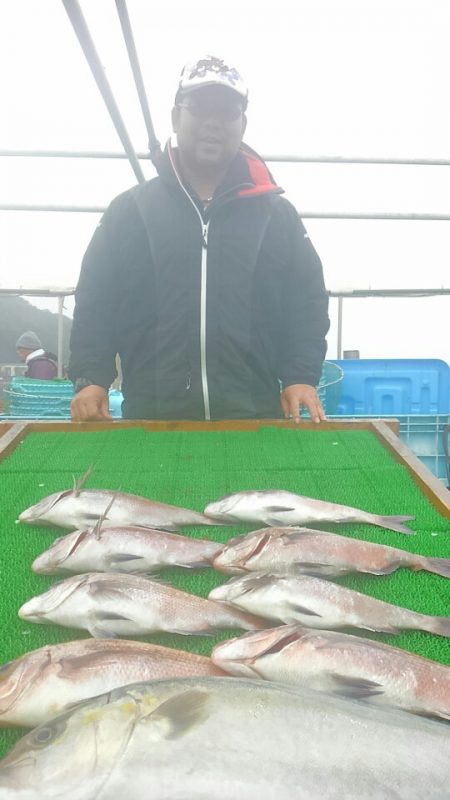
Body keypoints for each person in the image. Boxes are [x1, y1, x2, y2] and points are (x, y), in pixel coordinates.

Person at [69, 55, 330, 423]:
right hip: (151, 419)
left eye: (227, 112)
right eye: (200, 108)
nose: (213, 122)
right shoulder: (128, 212)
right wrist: (90, 377)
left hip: (256, 419)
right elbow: (96, 299)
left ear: (243, 124)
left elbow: (307, 301)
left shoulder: (277, 216)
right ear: (176, 117)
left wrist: (301, 375)